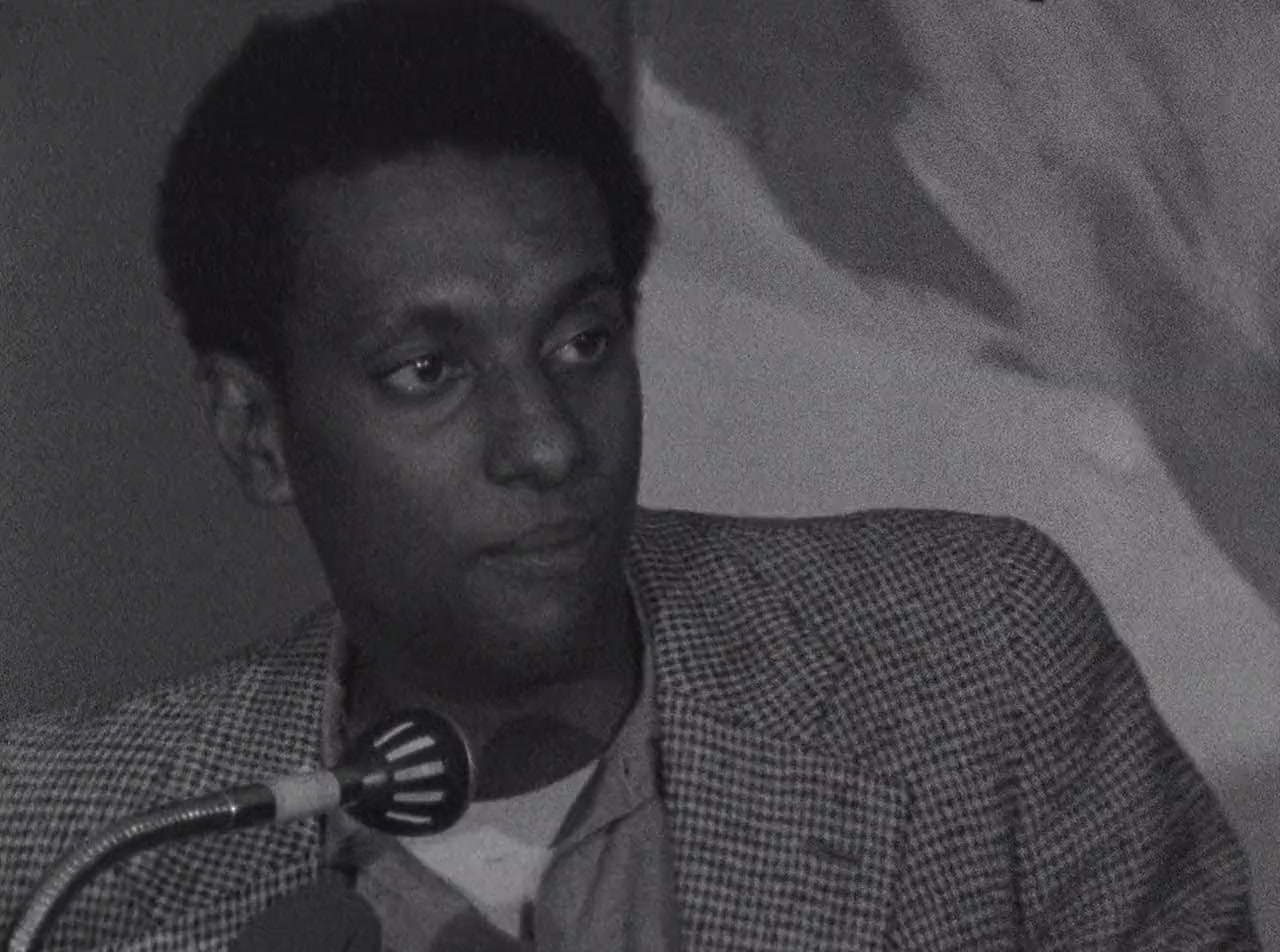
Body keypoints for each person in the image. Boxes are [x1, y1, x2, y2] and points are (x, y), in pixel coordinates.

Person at [0, 0, 1260, 948]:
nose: (548, 442)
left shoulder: (977, 663)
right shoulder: (72, 846)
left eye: (581, 342)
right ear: (256, 432)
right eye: (428, 370)